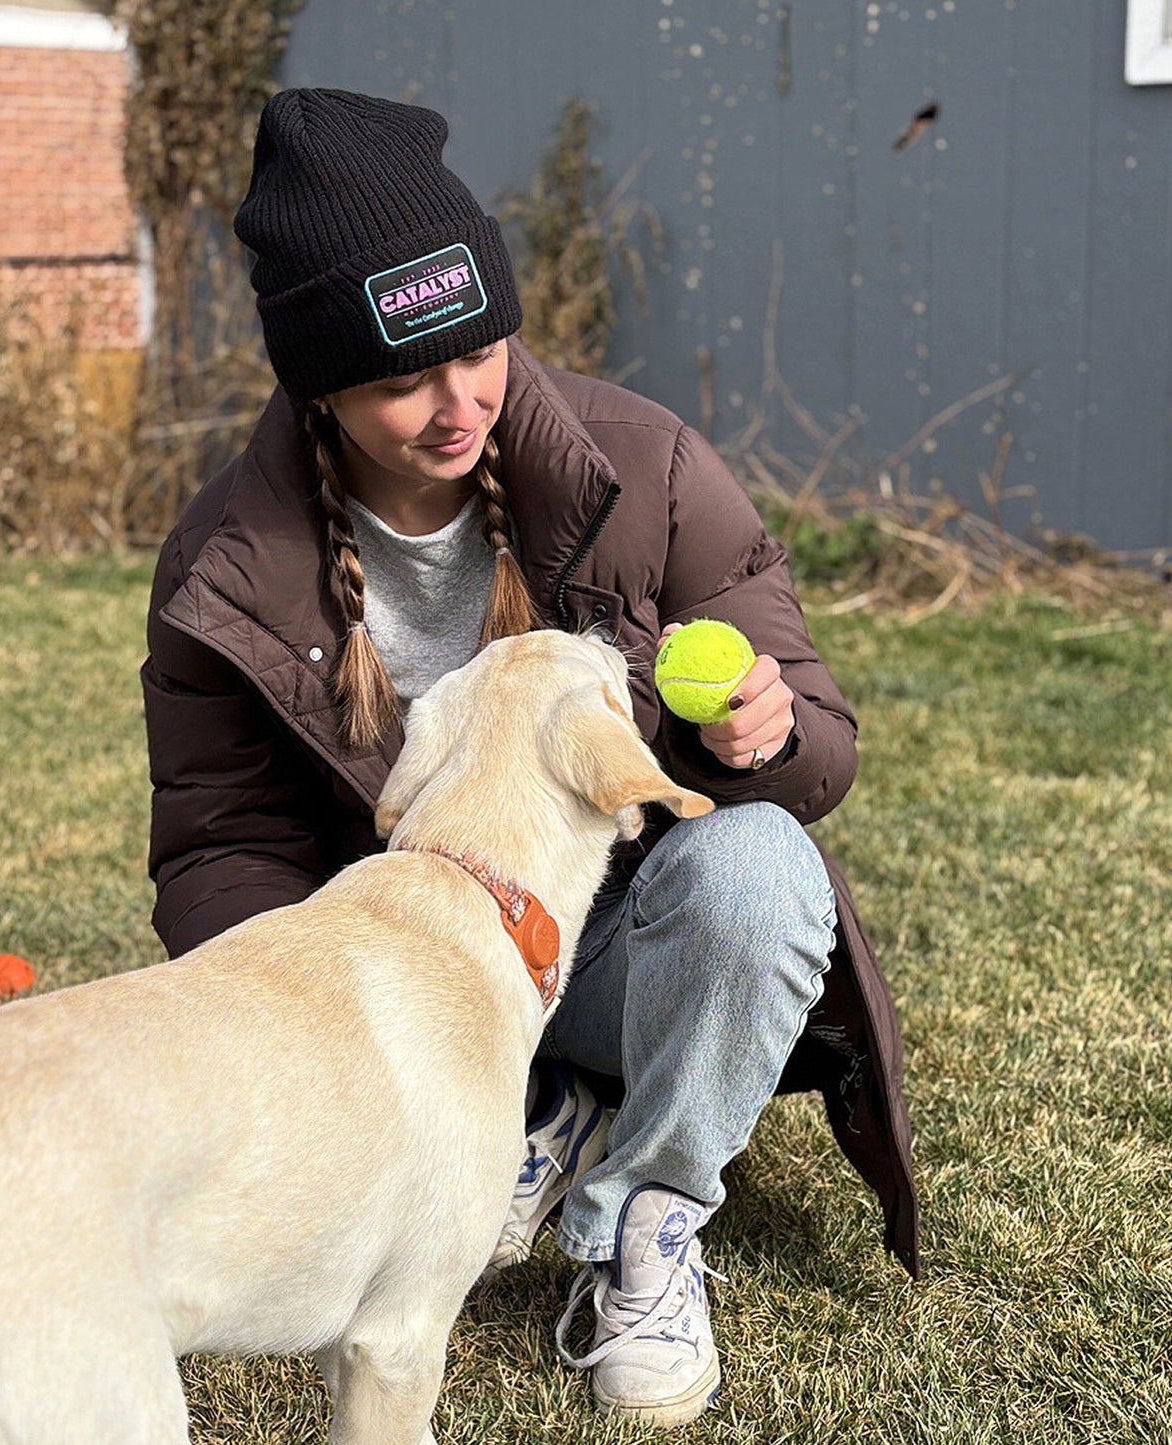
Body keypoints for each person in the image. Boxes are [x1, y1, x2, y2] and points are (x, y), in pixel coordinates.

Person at [142, 87, 918, 1429]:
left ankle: (648, 1219)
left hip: (623, 948)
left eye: (479, 351)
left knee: (762, 867)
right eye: (400, 380)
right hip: (407, 987)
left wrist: (769, 729)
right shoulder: (229, 563)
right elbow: (220, 845)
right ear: (320, 384)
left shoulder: (643, 466)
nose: (457, 407)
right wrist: (293, 1055)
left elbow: (821, 745)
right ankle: (537, 1100)